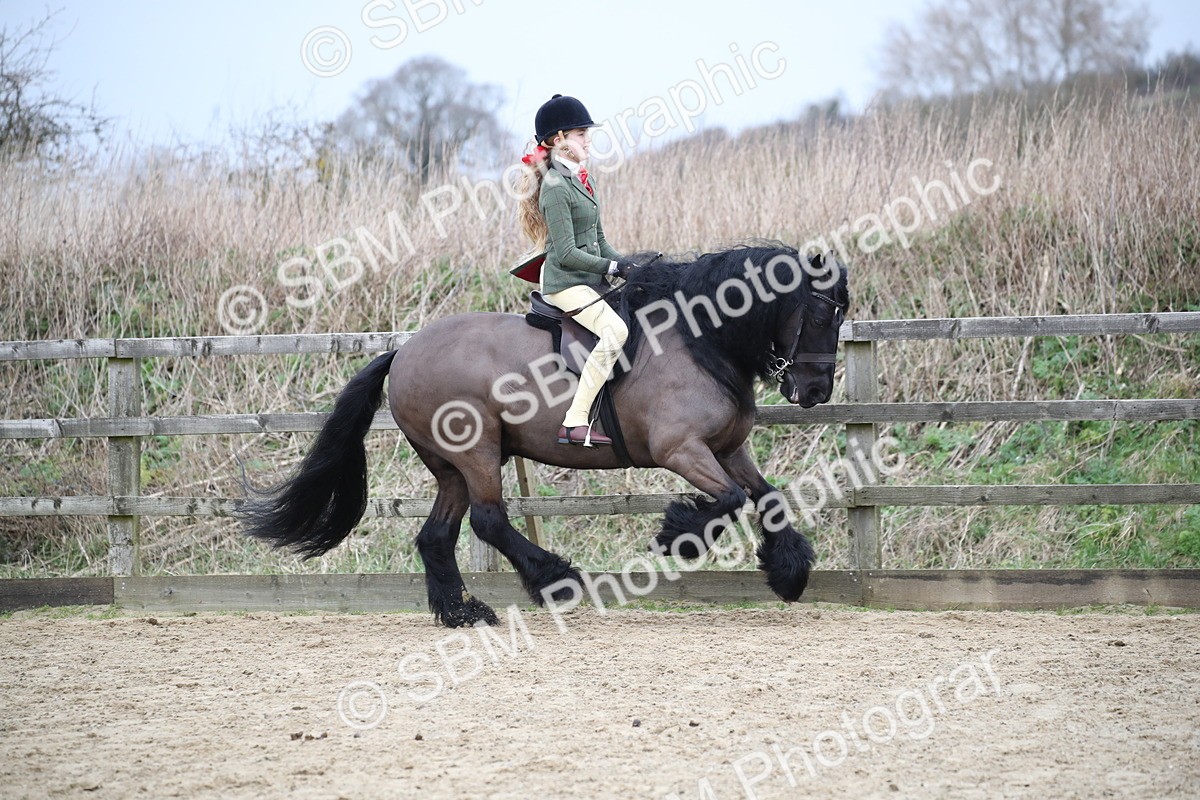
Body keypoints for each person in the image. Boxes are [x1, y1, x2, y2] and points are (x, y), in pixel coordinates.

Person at [516, 94, 636, 447]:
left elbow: (599, 241)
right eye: (581, 134)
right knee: (615, 331)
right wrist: (612, 266)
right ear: (559, 141)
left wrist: (630, 267)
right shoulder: (553, 189)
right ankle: (574, 421)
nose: (588, 140)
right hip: (565, 283)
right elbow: (566, 254)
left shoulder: (583, 179)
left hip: (588, 279)